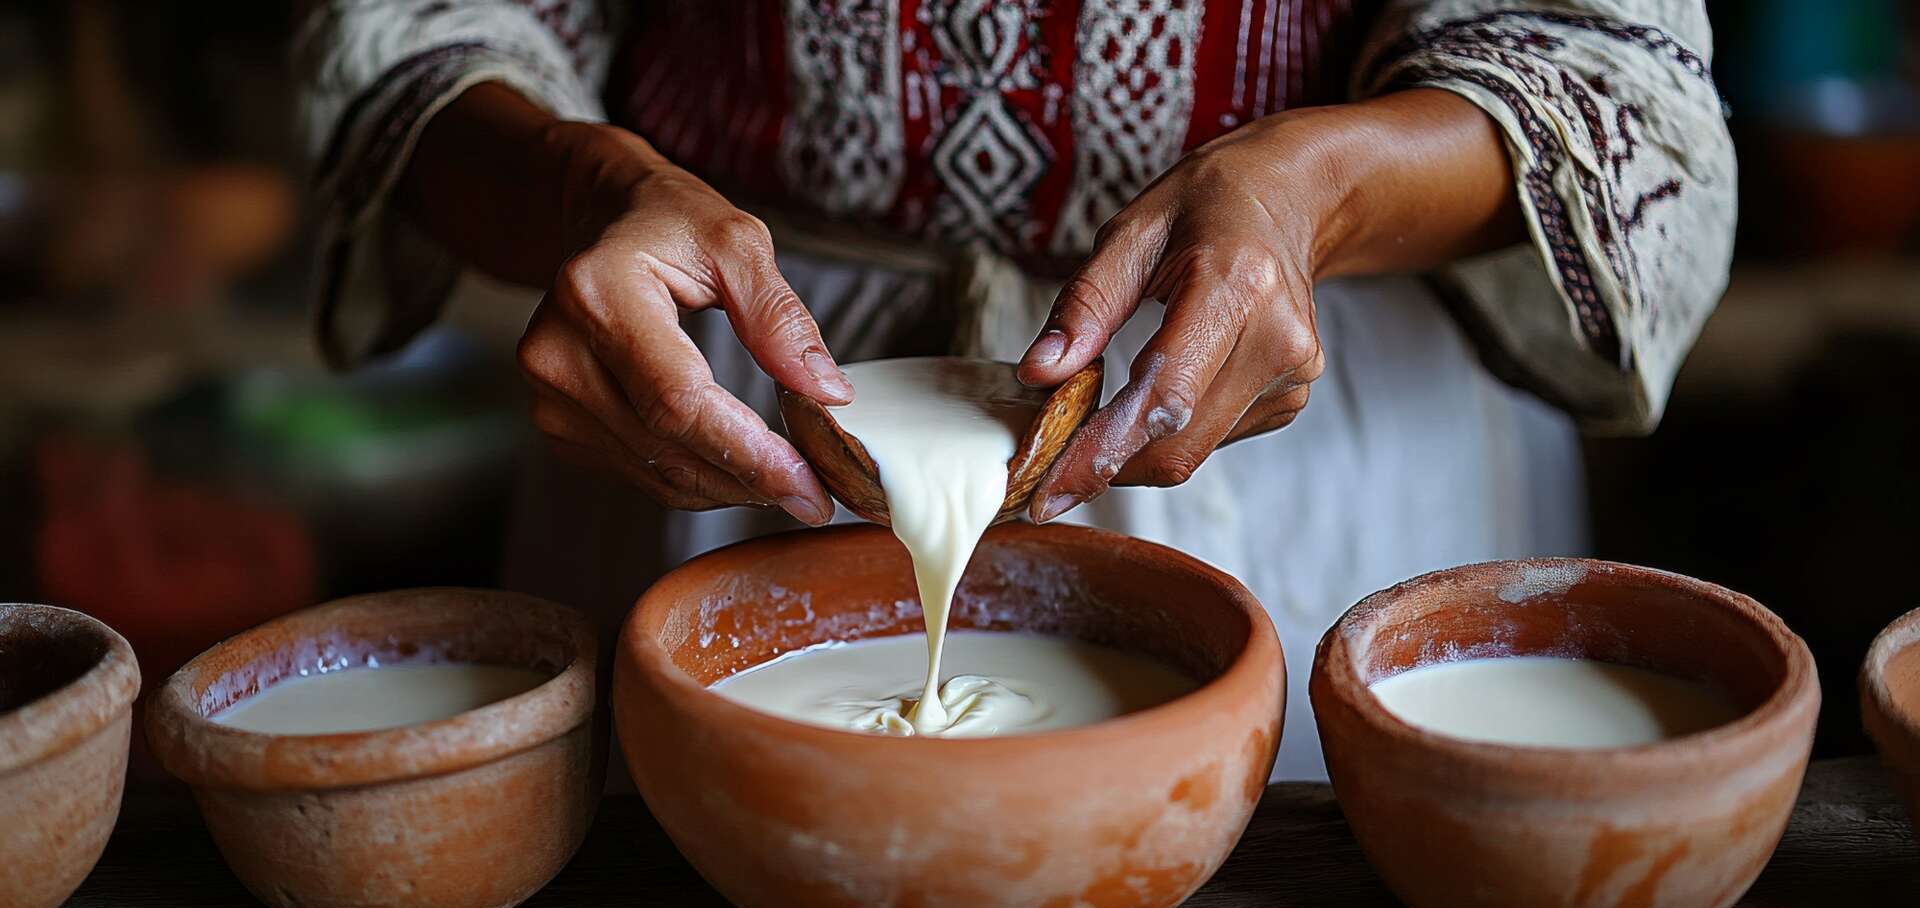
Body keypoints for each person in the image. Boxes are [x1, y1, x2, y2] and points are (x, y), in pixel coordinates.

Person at [297, 1, 1734, 779]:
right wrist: (578, 190)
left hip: (1272, 397)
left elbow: (1594, 59)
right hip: (725, 394)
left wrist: (1316, 196)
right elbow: (419, 39)